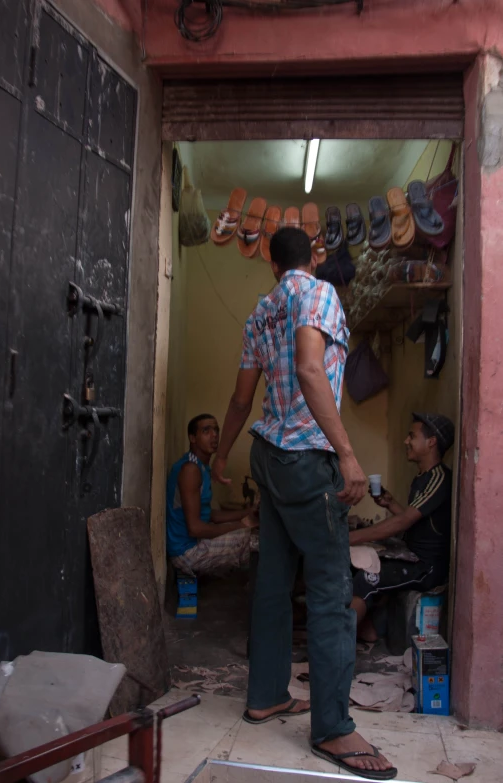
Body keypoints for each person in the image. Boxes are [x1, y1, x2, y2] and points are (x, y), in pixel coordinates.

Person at [212, 227, 396, 781]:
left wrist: (221, 456)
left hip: (268, 454)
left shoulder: (261, 310)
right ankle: (334, 728)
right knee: (331, 591)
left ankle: (266, 695)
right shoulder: (318, 294)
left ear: (270, 263)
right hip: (307, 458)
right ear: (313, 256)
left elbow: (244, 396)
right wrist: (347, 454)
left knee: (273, 579)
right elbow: (312, 369)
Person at [350, 413, 454, 642]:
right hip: (411, 558)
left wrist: (350, 538)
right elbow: (415, 519)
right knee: (356, 565)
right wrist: (391, 503)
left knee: (367, 577)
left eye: (412, 436)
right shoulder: (423, 478)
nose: (406, 441)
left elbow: (404, 521)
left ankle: (335, 647)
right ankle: (368, 629)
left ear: (431, 442)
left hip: (426, 567)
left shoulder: (439, 478)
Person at [166, 413, 258, 576]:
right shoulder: (190, 470)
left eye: (216, 430)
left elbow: (208, 515)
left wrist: (246, 513)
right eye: (206, 431)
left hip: (194, 543)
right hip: (187, 552)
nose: (214, 435)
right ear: (192, 438)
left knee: (257, 533)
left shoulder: (201, 467)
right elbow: (195, 528)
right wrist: (241, 525)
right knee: (258, 542)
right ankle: (265, 595)